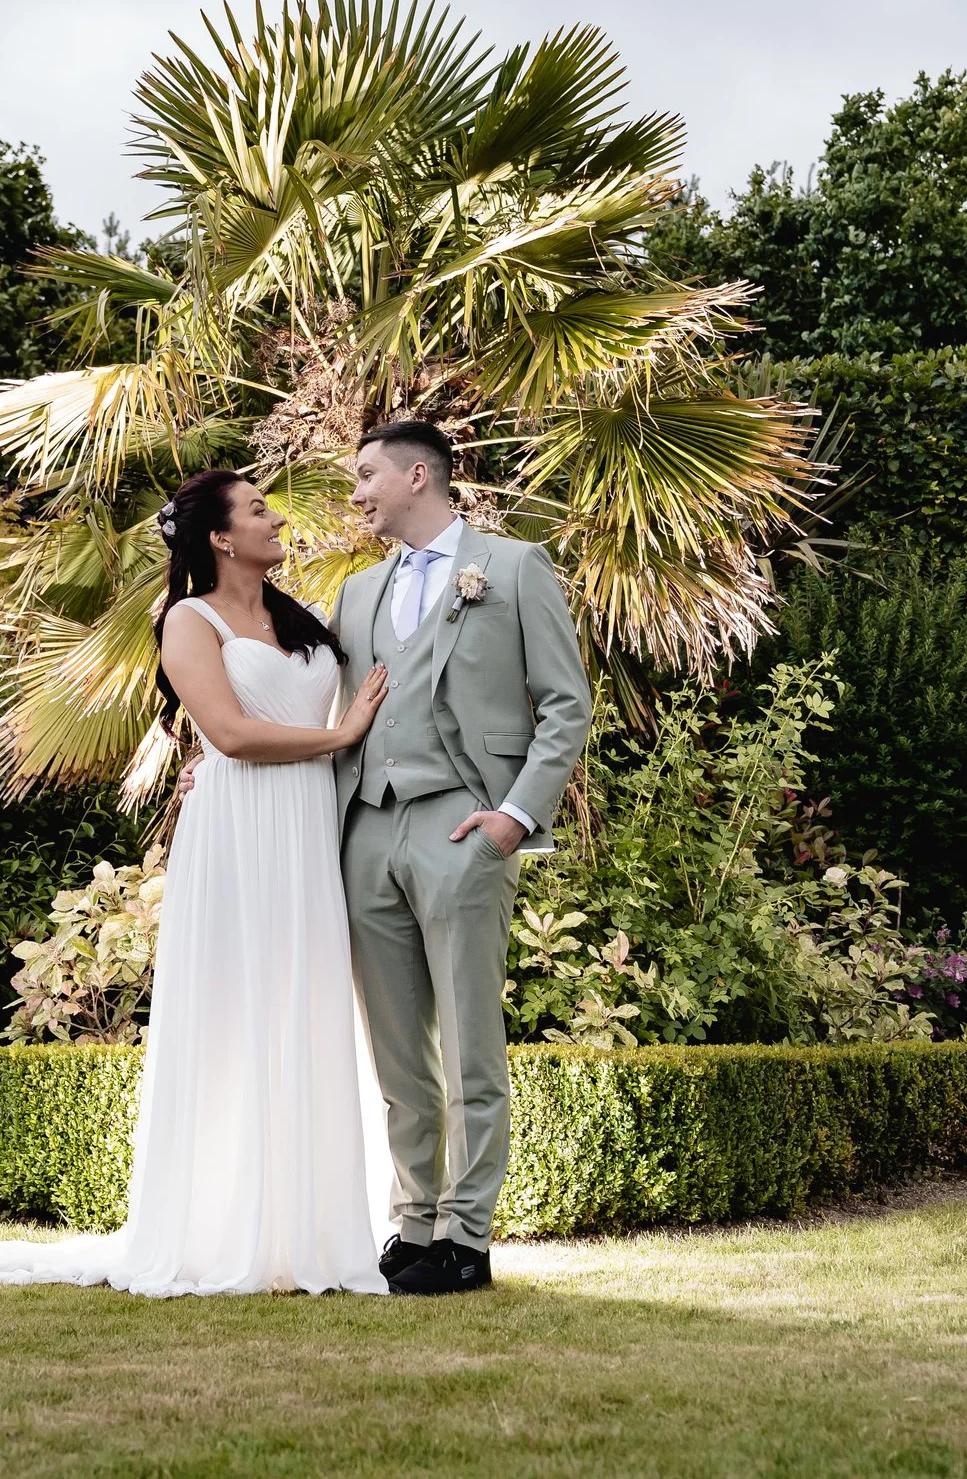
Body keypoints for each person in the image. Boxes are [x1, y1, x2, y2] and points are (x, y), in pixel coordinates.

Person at [0, 468, 394, 1296]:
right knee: (241, 1008)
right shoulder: (187, 619)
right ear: (219, 536)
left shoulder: (299, 615)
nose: (274, 517)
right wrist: (342, 732)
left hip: (310, 829)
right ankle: (229, 1224)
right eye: (256, 509)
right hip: (242, 829)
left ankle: (311, 1225)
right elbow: (232, 734)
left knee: (308, 1001)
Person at [328, 420, 592, 1294]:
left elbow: (566, 705)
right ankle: (413, 1222)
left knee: (473, 1038)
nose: (357, 490)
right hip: (368, 827)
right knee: (399, 1048)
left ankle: (468, 1235)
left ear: (417, 475)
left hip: (462, 826)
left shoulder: (513, 568)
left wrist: (515, 817)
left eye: (366, 475)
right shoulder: (356, 592)